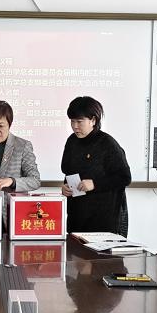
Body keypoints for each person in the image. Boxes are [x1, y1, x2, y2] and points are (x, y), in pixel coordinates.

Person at [60, 96, 131, 236]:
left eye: (79, 121)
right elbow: (68, 172)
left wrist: (94, 184)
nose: (75, 126)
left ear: (93, 120)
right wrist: (66, 188)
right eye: (72, 121)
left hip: (104, 220)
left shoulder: (107, 144)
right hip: (77, 216)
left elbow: (124, 177)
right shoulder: (72, 141)